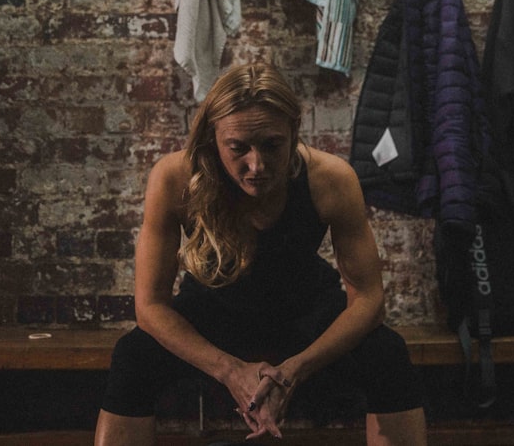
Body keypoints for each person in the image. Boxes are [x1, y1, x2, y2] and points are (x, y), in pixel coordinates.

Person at [94, 63, 427, 445]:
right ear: (213, 138)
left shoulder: (331, 179)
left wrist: (295, 370)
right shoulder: (174, 178)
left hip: (306, 317)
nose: (257, 165)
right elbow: (150, 306)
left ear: (293, 132)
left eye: (272, 145)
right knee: (133, 356)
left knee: (386, 353)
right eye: (238, 148)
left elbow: (369, 300)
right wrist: (229, 370)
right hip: (213, 317)